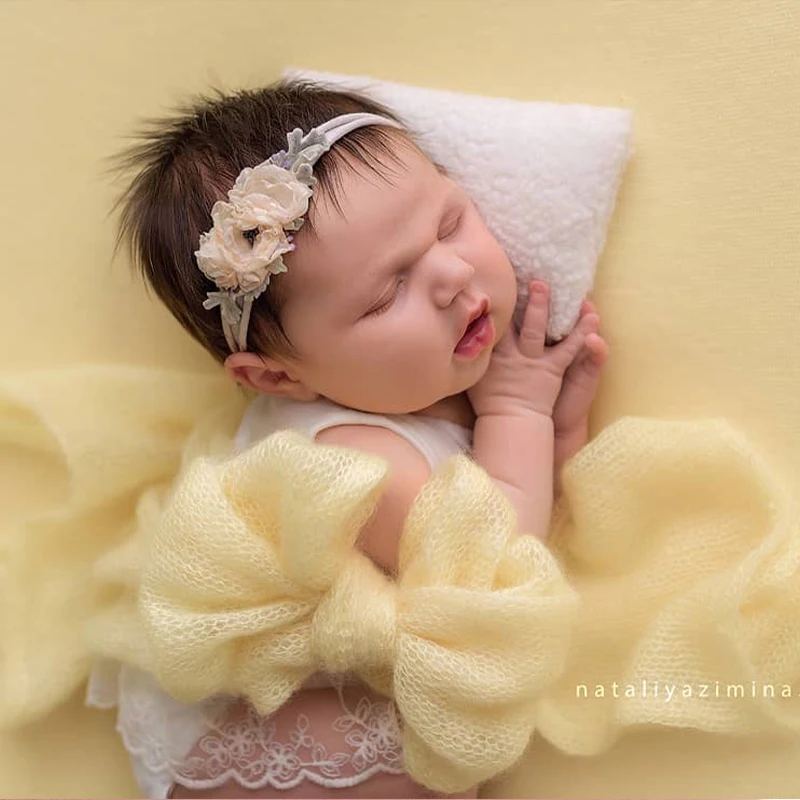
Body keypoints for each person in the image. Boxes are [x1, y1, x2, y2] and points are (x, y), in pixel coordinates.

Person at [90, 78, 608, 799]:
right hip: (274, 742)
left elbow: (529, 533)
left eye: (450, 223)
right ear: (277, 378)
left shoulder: (395, 389)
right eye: (386, 293)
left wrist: (560, 431)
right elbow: (497, 575)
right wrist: (519, 413)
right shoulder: (356, 468)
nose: (454, 276)